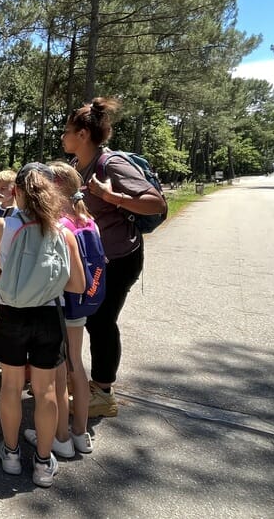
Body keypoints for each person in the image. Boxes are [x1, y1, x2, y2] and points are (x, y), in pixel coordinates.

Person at [61, 97, 166, 418]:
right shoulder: (81, 166)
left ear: (82, 134)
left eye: (66, 131)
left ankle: (104, 393)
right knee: (91, 319)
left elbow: (155, 203)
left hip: (119, 260)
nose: (62, 137)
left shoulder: (113, 164)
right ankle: (93, 385)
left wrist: (110, 195)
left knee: (101, 322)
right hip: (96, 260)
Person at [0, 162, 85, 488]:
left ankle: (12, 454)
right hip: (48, 316)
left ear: (15, 192)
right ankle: (43, 464)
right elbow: (77, 285)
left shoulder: (4, 226)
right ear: (51, 192)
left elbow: (1, 274)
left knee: (11, 388)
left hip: (11, 314)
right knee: (45, 391)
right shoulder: (64, 232)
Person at [24, 160, 96, 456]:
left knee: (57, 372)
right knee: (77, 366)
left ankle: (61, 437)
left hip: (60, 306)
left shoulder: (59, 225)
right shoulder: (88, 220)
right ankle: (81, 432)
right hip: (81, 307)